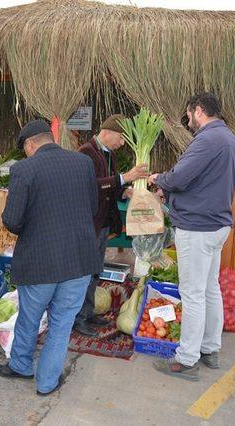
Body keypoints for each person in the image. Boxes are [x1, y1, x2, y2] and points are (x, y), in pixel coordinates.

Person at [0, 120, 100, 396]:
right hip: (78, 260)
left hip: (39, 262)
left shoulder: (24, 169)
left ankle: (20, 365)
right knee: (62, 323)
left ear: (30, 145)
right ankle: (47, 382)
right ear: (50, 138)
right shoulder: (83, 163)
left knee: (30, 316)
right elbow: (93, 207)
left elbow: (13, 221)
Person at [149, 92, 235, 381]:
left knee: (192, 294)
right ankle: (210, 349)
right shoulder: (231, 140)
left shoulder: (207, 139)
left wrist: (159, 180)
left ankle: (186, 359)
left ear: (199, 111)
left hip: (198, 227)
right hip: (217, 226)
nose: (187, 120)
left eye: (188, 114)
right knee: (209, 289)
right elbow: (206, 181)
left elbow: (180, 177)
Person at [73, 114, 149, 337]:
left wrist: (125, 191)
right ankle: (78, 318)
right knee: (85, 272)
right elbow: (91, 186)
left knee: (95, 271)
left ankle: (88, 312)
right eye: (121, 138)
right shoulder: (86, 152)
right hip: (90, 223)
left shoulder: (109, 155)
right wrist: (125, 177)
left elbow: (110, 187)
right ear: (107, 132)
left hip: (103, 223)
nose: (122, 143)